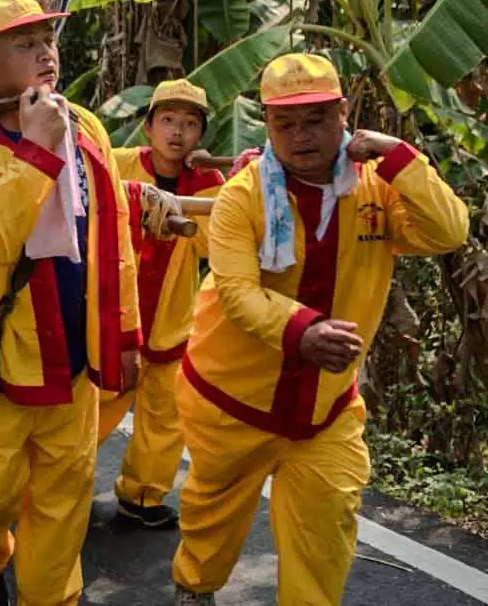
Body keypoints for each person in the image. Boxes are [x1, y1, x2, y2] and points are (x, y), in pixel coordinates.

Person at [171, 53, 468, 606]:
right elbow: (236, 292)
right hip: (231, 401)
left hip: (326, 409)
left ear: (343, 114)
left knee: (326, 530)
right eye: (284, 123)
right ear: (267, 124)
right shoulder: (243, 195)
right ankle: (195, 586)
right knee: (211, 521)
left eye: (316, 119)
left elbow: (447, 231)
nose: (300, 135)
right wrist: (303, 330)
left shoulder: (376, 187)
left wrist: (399, 156)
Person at [0, 0, 139, 606]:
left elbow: (115, 237)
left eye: (48, 40)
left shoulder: (87, 127)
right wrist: (39, 150)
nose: (46, 53)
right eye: (24, 44)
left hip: (72, 362)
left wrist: (126, 334)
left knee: (64, 506)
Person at [90, 80, 227, 530]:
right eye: (167, 120)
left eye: (189, 124)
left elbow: (214, 246)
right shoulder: (118, 162)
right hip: (116, 313)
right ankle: (53, 478)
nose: (177, 132)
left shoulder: (208, 184)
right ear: (148, 127)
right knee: (97, 406)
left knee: (166, 417)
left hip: (171, 322)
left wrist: (207, 186)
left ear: (200, 135)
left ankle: (143, 495)